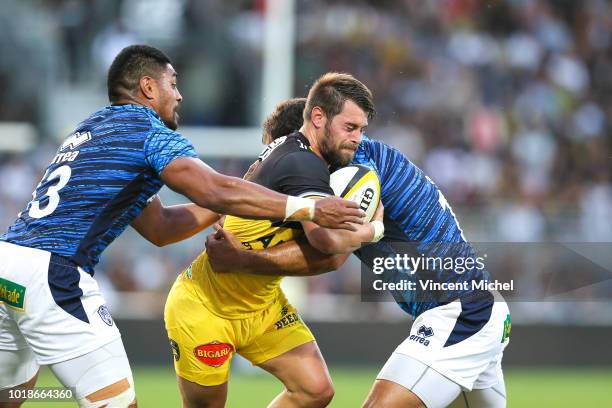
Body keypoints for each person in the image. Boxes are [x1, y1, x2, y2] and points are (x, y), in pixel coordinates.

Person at [0, 46, 363, 408]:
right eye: (172, 84)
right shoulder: (147, 130)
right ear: (147, 88)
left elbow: (161, 227)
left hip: (9, 267)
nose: (179, 94)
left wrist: (243, 193)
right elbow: (210, 188)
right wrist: (309, 207)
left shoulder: (93, 130)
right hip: (52, 273)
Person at [207, 99, 511, 408]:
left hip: (461, 312)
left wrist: (243, 258)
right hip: (473, 308)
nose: (279, 176)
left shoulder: (355, 174)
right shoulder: (341, 165)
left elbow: (332, 254)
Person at [164, 72, 384, 408]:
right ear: (317, 119)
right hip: (207, 309)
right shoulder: (303, 164)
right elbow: (327, 248)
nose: (357, 139)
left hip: (263, 306)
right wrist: (374, 229)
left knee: (316, 390)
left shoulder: (296, 152)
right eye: (350, 128)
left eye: (361, 130)